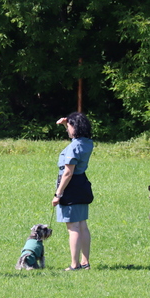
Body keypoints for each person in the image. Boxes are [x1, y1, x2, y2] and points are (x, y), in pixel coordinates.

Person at [51, 112, 94, 271]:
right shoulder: (87, 143)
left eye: (69, 127)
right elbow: (74, 138)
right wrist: (65, 123)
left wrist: (58, 194)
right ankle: (85, 262)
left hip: (70, 187)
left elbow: (68, 173)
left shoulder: (73, 147)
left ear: (75, 128)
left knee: (73, 228)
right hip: (82, 185)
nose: (68, 130)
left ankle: (74, 265)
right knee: (82, 225)